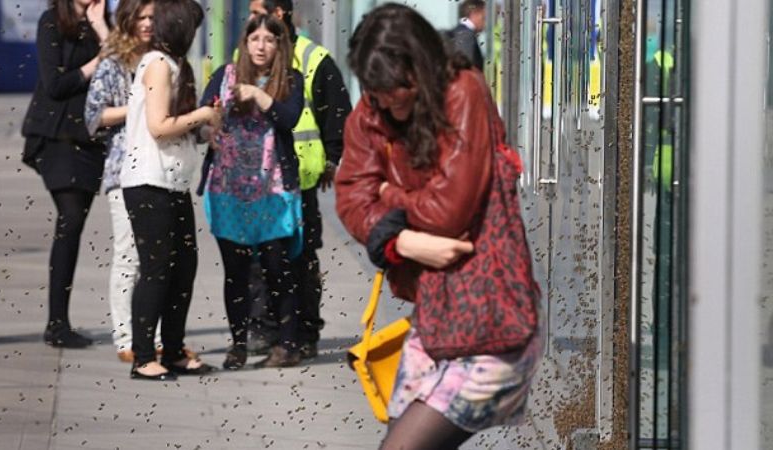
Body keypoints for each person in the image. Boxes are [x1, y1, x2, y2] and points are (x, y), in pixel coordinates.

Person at [336, 4, 542, 449]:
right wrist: (402, 240)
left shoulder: (462, 91)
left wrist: (389, 198)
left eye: (398, 87)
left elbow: (449, 211)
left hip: (490, 315)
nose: (391, 100)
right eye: (378, 91)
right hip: (435, 316)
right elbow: (352, 196)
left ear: (421, 63)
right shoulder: (371, 112)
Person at [245, 0, 352, 359]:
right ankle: (263, 327)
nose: (251, 19)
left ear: (279, 13)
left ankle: (304, 331)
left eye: (257, 9)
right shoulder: (245, 50)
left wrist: (332, 159)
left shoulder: (312, 58)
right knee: (259, 257)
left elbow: (337, 112)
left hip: (300, 178)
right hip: (255, 180)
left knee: (302, 259)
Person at [199, 13, 305, 369]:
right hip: (228, 189)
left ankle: (288, 344)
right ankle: (238, 345)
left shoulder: (290, 80)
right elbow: (203, 115)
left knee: (277, 267)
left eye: (269, 40)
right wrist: (208, 128)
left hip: (272, 191)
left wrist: (259, 94)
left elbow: (289, 118)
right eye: (255, 39)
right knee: (236, 271)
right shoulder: (225, 75)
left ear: (280, 45)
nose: (261, 46)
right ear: (244, 44)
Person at [120, 0, 219, 380]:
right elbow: (159, 125)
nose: (194, 34)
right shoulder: (158, 64)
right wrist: (203, 114)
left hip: (172, 182)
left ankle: (174, 349)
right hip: (148, 182)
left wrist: (206, 131)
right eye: (192, 26)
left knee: (184, 268)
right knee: (157, 270)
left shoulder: (175, 65)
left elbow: (176, 128)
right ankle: (145, 357)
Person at [21, 0, 111, 348]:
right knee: (70, 219)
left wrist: (102, 28)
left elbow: (125, 67)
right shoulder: (51, 22)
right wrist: (96, 63)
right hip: (56, 134)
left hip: (89, 138)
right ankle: (56, 323)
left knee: (73, 226)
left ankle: (59, 321)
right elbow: (54, 84)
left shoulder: (103, 22)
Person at [84, 0, 161, 363]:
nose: (148, 24)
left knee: (157, 259)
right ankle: (126, 337)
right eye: (141, 17)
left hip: (161, 169)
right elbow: (93, 116)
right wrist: (140, 108)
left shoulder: (164, 60)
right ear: (128, 21)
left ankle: (155, 335)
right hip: (123, 171)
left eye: (153, 18)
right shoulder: (114, 65)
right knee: (129, 254)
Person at [448, 0, 486, 71]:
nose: (486, 23)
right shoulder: (466, 35)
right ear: (475, 13)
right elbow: (465, 68)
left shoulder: (462, 32)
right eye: (484, 17)